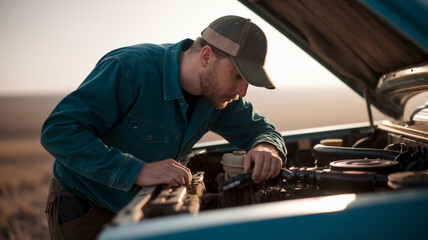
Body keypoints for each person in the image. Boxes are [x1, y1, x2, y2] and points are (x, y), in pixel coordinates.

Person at [41, 15, 287, 240]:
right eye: (236, 75)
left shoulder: (219, 98)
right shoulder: (131, 69)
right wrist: (137, 171)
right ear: (206, 56)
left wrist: (267, 147)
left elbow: (262, 130)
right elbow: (59, 130)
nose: (242, 91)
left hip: (145, 215)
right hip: (87, 208)